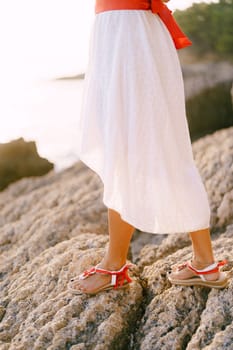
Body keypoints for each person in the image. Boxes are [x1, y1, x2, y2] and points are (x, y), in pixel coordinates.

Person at [68, 0, 228, 295]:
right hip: (118, 33)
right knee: (134, 148)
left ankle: (115, 265)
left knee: (132, 148)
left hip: (129, 34)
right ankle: (202, 261)